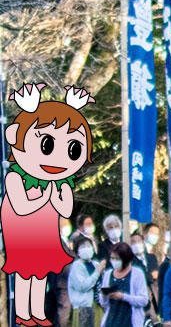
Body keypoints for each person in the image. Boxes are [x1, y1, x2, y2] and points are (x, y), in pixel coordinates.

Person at [2, 86, 94, 326]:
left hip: (44, 240)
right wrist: (45, 198)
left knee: (39, 279)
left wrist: (61, 193)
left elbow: (64, 210)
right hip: (23, 237)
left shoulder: (54, 182)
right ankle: (23, 314)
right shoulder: (15, 177)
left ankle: (35, 314)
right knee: (25, 276)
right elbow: (21, 206)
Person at [99, 242, 149, 327]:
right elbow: (104, 304)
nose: (114, 261)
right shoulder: (108, 274)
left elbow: (144, 300)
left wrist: (123, 297)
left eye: (117, 259)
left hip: (130, 321)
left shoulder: (137, 273)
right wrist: (104, 295)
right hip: (111, 321)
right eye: (112, 258)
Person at [68, 237, 105, 326]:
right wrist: (97, 273)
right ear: (77, 251)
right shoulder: (77, 266)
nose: (86, 249)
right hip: (84, 306)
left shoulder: (95, 264)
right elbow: (82, 286)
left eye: (88, 246)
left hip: (98, 305)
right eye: (83, 247)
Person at [130, 232, 159, 321]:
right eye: (133, 242)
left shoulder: (152, 257)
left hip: (155, 294)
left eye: (139, 241)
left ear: (143, 242)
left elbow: (157, 274)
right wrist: (151, 276)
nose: (137, 244)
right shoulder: (131, 261)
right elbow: (147, 276)